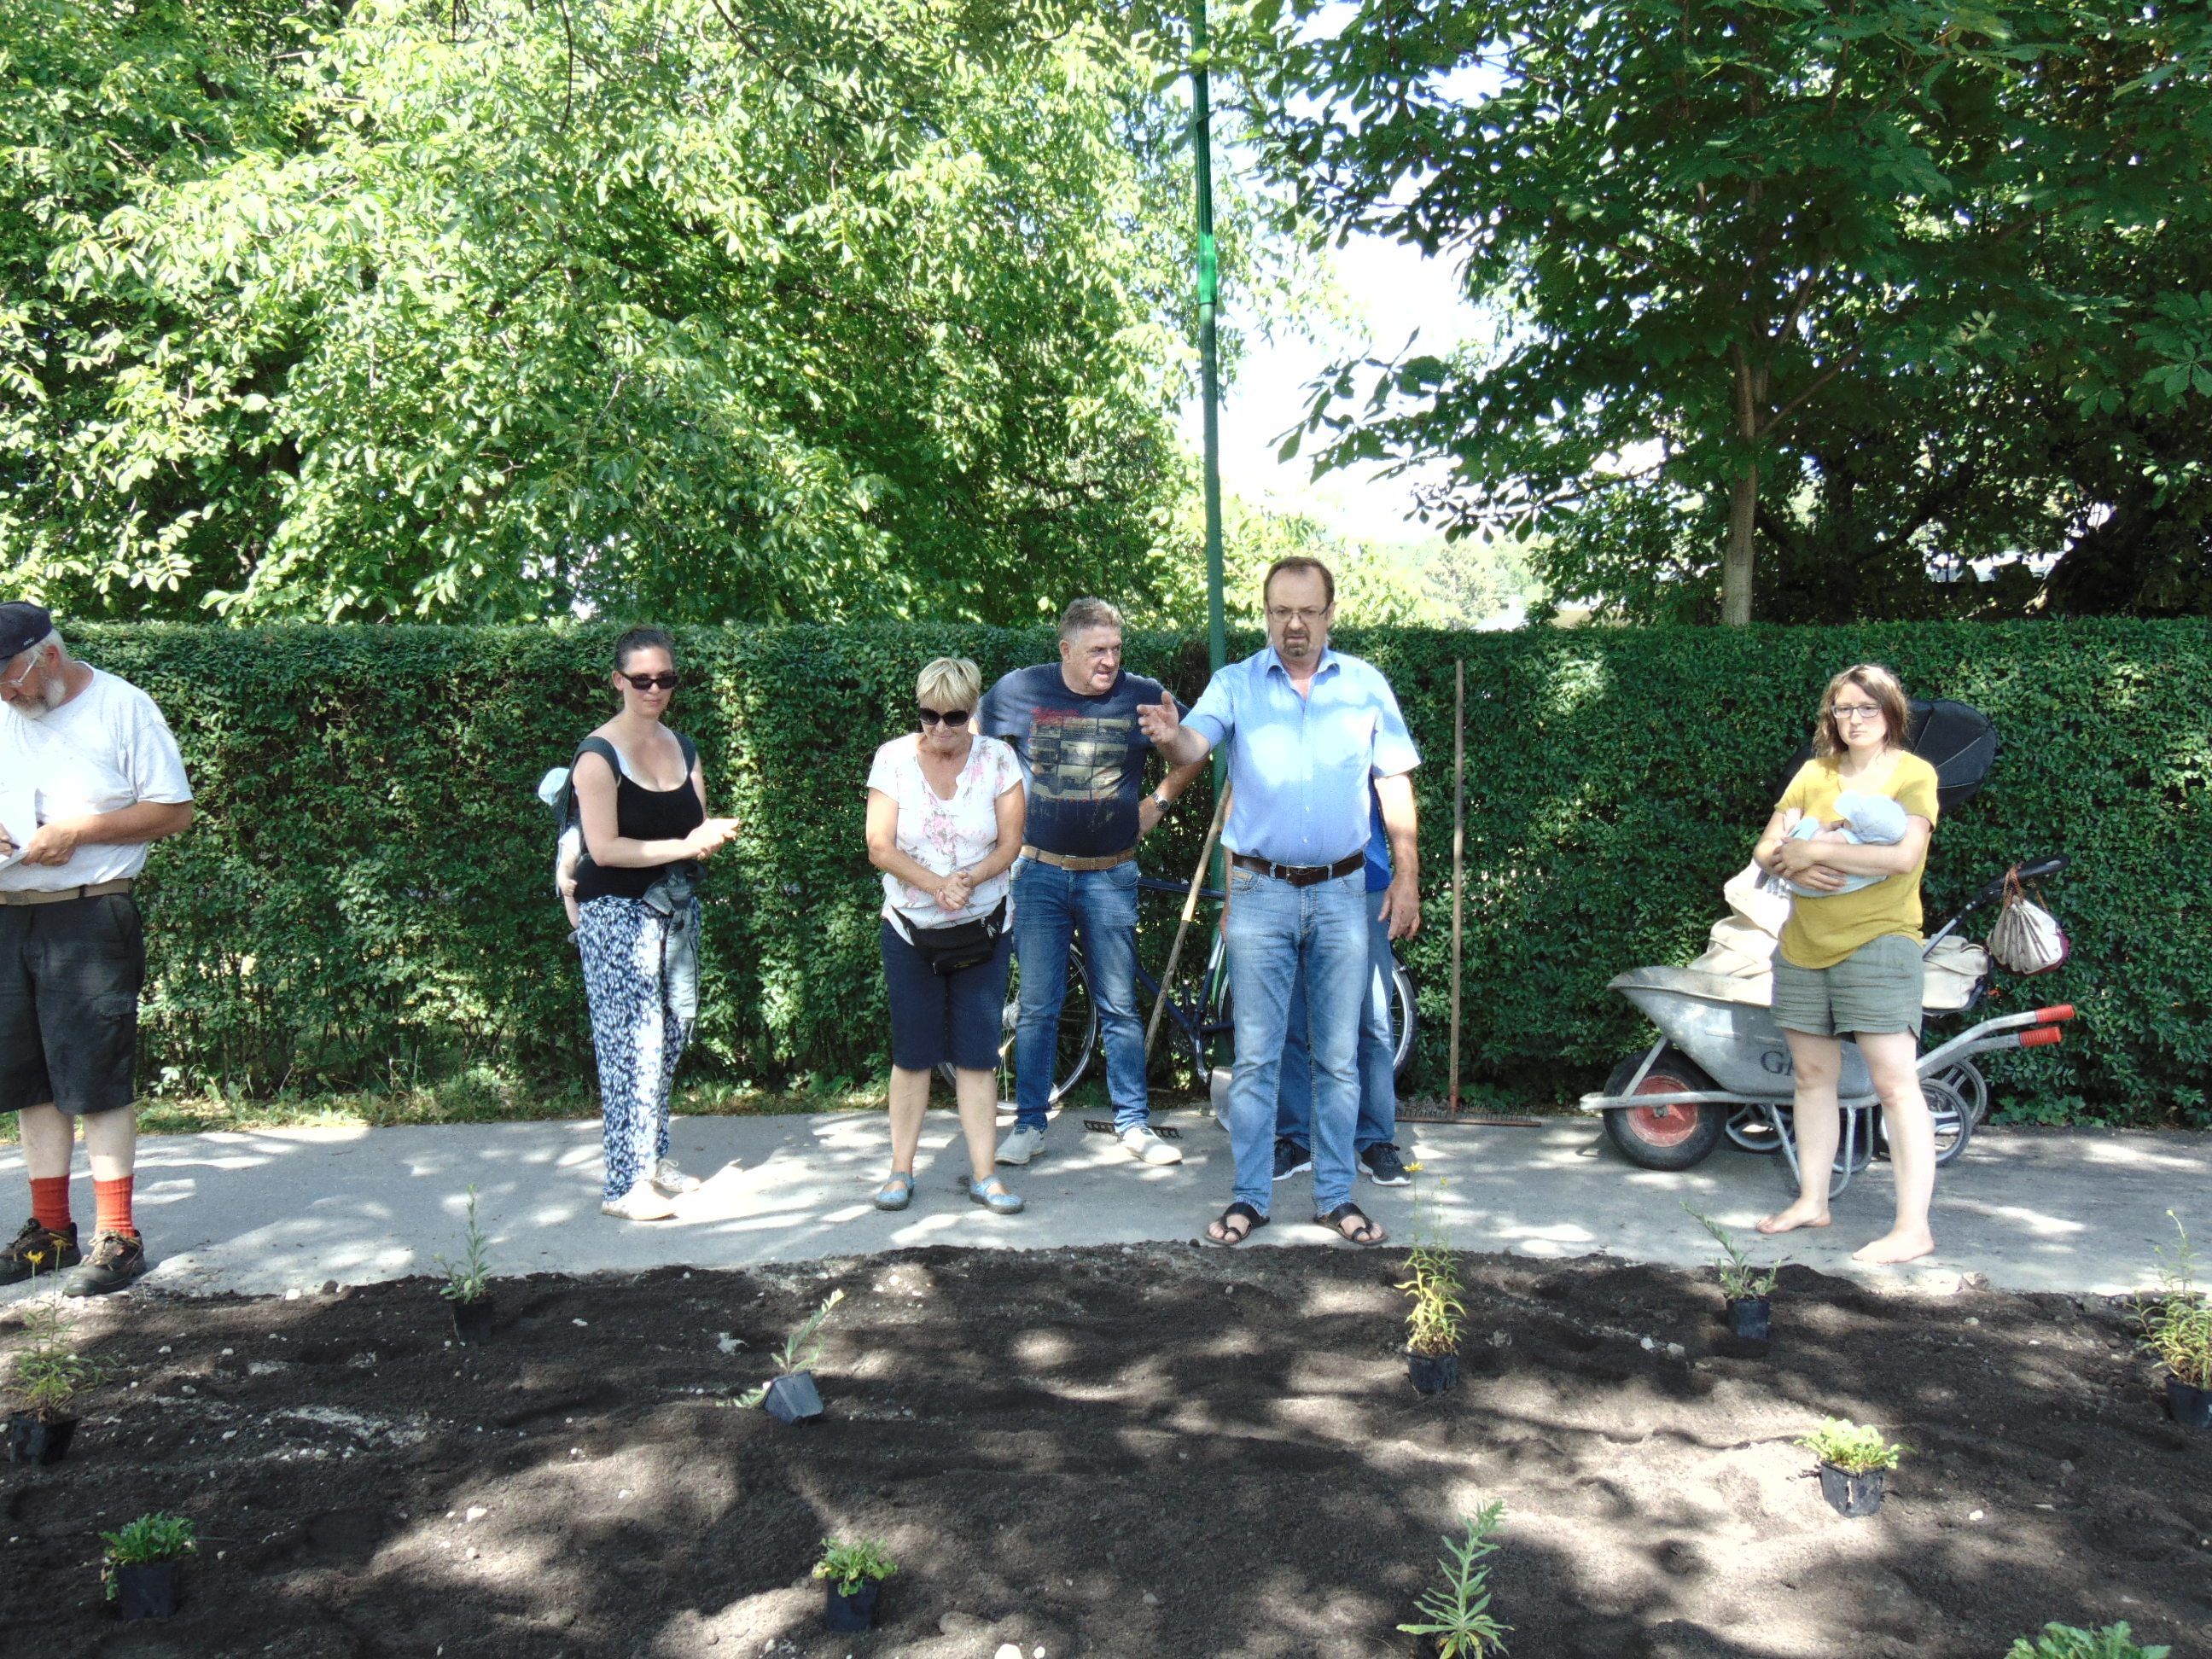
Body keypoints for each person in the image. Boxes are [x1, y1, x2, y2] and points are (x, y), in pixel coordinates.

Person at [1140, 557, 1420, 1248]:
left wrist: (1408, 878)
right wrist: (1170, 735)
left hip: (1342, 891)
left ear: (1330, 614)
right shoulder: (1235, 684)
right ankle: (1250, 1198)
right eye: (1280, 611)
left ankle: (1334, 1197)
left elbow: (1395, 787)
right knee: (1259, 1057)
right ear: (1265, 614)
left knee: (1339, 1056)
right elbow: (1193, 744)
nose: (1293, 624)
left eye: (1307, 611)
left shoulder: (1365, 687)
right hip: (1259, 893)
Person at [0, 604, 195, 1295]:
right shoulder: (4, 709)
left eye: (11, 680)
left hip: (89, 914)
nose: (8, 695)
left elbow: (174, 810)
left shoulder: (121, 707)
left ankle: (119, 1237)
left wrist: (77, 833)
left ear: (47, 657)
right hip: (9, 914)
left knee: (95, 1074)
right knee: (29, 1078)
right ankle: (50, 1233)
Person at [978, 597, 1207, 1169]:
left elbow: (1192, 748)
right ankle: (1029, 1126)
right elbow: (973, 742)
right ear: (1065, 650)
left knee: (1120, 1006)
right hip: (1039, 874)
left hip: (1110, 875)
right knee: (1037, 1007)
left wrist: (1159, 800)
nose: (1109, 661)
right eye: (1097, 650)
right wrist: (993, 813)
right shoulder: (1019, 691)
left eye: (1115, 649)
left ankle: (1133, 1124)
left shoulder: (1141, 694)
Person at [1751, 664, 1942, 1265]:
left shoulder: (1913, 774)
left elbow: (1904, 856)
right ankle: (1813, 1199)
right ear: (1829, 717)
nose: (1853, 719)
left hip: (1880, 940)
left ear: (1890, 712)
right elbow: (1765, 848)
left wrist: (1816, 848)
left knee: (1894, 1083)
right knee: (1811, 1078)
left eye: (1866, 707)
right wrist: (1796, 864)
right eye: (1842, 709)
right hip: (1804, 942)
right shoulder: (1813, 774)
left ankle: (1913, 1227)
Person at [570, 628, 739, 1222]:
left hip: (675, 911)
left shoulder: (685, 747)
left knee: (668, 1040)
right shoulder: (597, 755)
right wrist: (687, 843)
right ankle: (624, 1184)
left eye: (666, 678)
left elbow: (691, 836)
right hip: (617, 912)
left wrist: (704, 840)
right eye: (641, 679)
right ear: (618, 681)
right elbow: (606, 849)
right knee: (629, 1048)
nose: (654, 689)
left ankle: (653, 1155)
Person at [865, 657, 1027, 1215]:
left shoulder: (998, 759)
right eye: (928, 715)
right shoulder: (892, 760)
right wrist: (937, 885)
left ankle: (986, 1176)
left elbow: (1010, 843)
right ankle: (900, 1171)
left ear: (972, 709)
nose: (939, 728)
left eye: (954, 716)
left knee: (978, 1053)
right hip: (911, 929)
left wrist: (969, 881)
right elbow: (879, 847)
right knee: (912, 1054)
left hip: (983, 928)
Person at [1272, 788, 1410, 1189]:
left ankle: (1375, 1139)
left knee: (1373, 1020)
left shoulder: (1371, 720)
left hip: (1364, 884)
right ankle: (1295, 1140)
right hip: (1284, 881)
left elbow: (1397, 790)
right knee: (1288, 1021)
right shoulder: (1273, 721)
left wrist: (1407, 879)